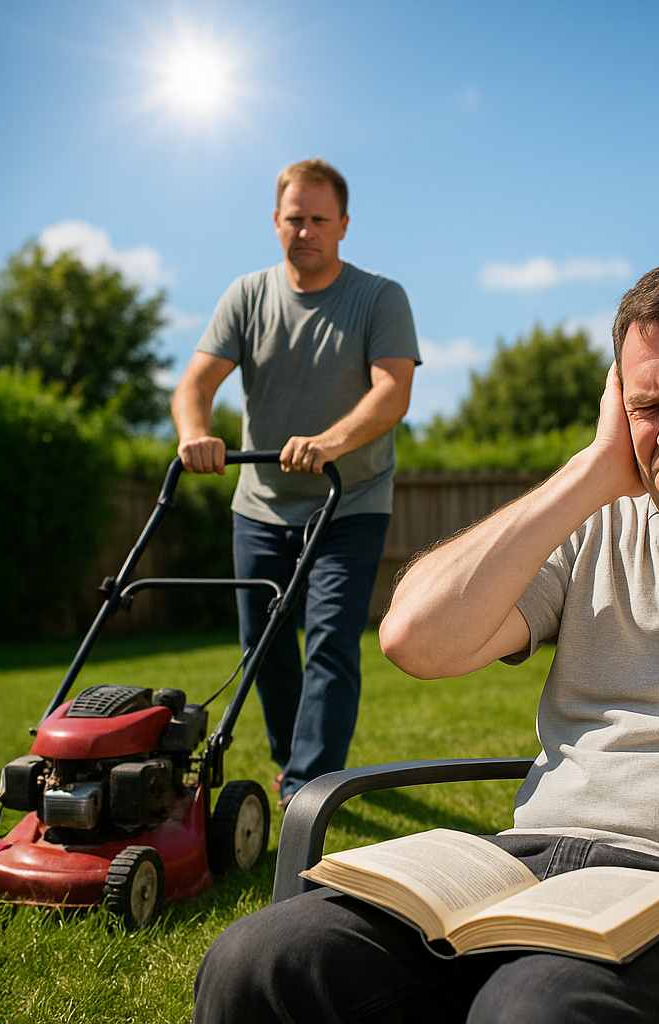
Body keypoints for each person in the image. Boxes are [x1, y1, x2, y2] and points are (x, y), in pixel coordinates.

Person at [192, 253, 659, 1024]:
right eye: (645, 406)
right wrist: (597, 466)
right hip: (527, 872)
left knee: (535, 1009)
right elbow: (414, 639)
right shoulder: (597, 528)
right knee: (258, 965)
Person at [172, 158, 419, 808]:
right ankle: (291, 761)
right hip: (260, 504)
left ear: (342, 225)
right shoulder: (247, 296)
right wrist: (194, 431)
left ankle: (310, 786)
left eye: (317, 219)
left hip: (350, 500)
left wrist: (330, 443)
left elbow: (393, 391)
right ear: (275, 223)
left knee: (331, 640)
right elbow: (194, 384)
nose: (304, 230)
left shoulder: (378, 297)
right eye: (293, 219)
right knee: (264, 644)